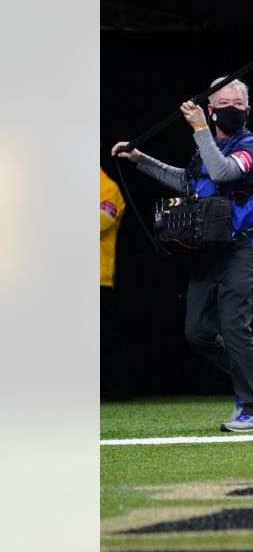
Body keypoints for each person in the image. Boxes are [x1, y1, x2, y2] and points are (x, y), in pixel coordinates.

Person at [112, 77, 253, 432]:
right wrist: (140, 159)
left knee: (234, 326)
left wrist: (201, 129)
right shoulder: (204, 149)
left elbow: (223, 171)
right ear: (212, 108)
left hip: (245, 249)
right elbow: (187, 182)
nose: (231, 108)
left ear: (247, 111)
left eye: (238, 104)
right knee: (197, 332)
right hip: (210, 250)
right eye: (224, 103)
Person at [100, 167, 130, 401]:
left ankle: (114, 389)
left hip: (98, 277)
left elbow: (100, 222)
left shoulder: (107, 188)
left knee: (104, 337)